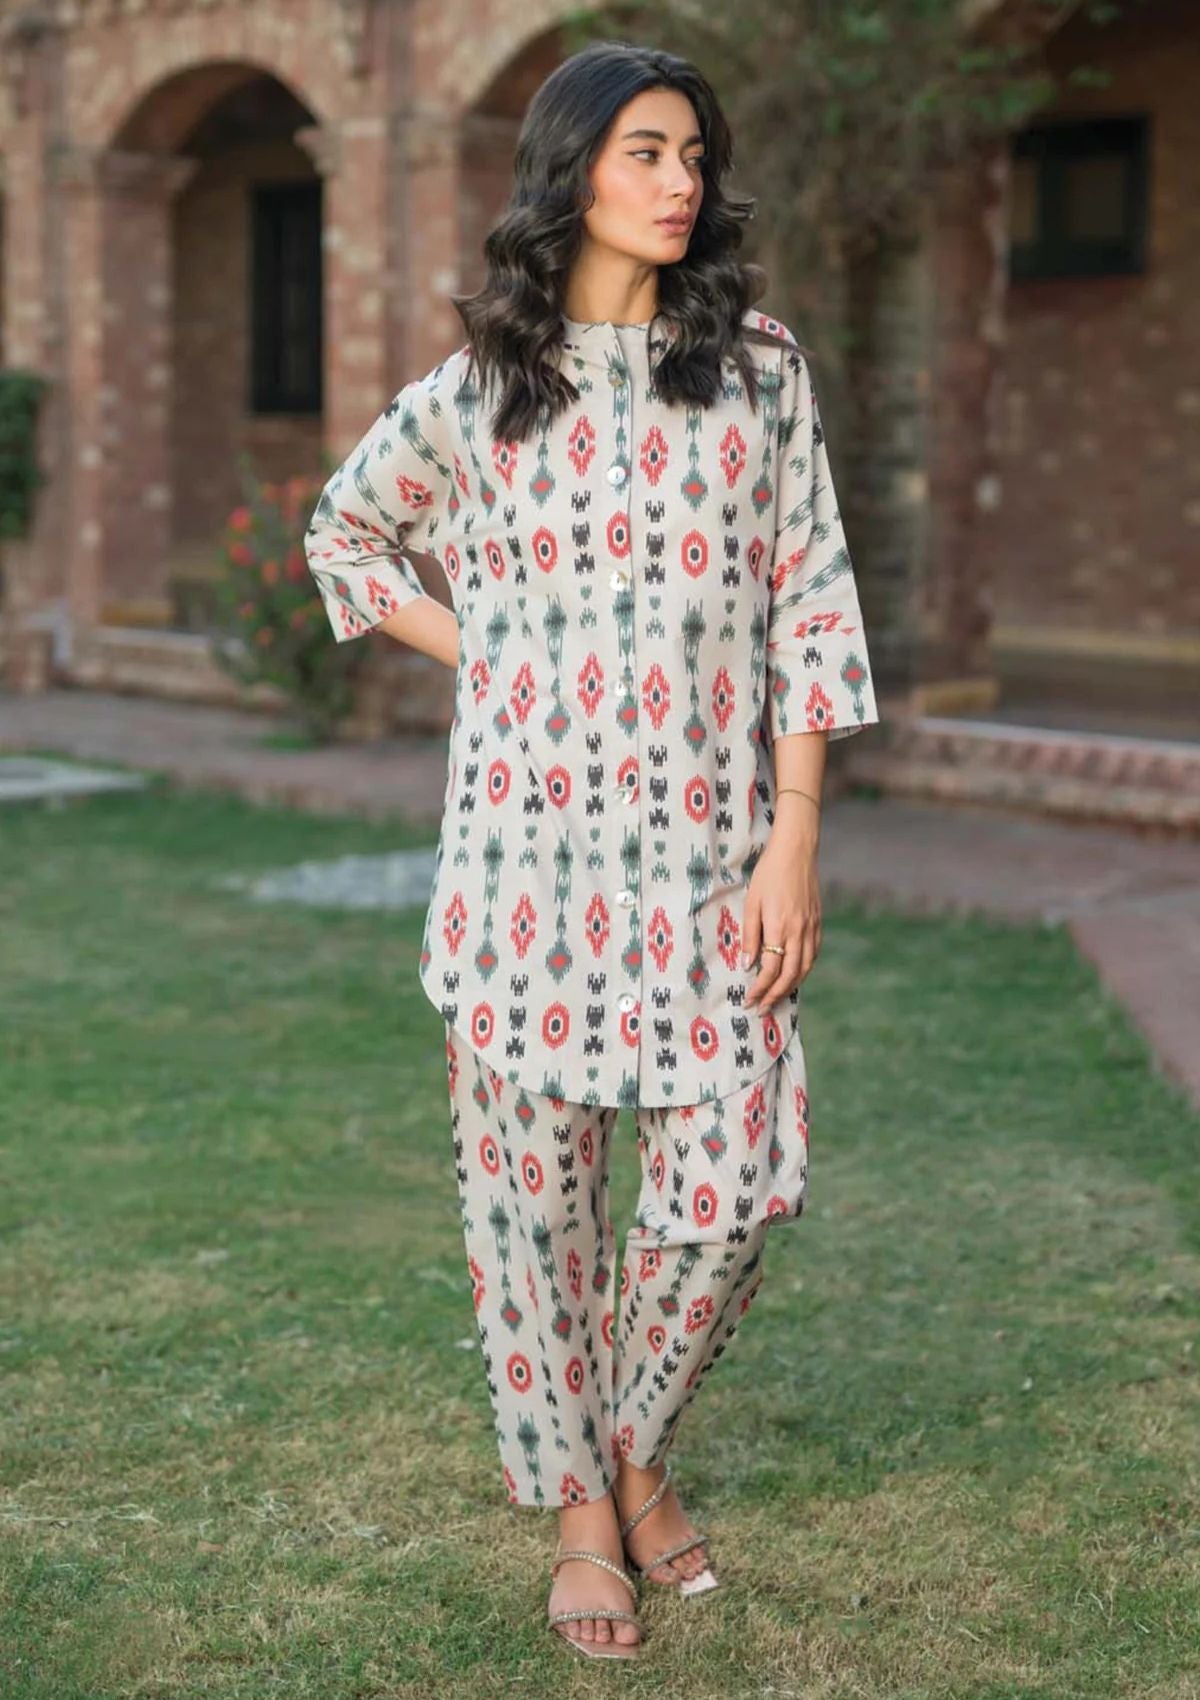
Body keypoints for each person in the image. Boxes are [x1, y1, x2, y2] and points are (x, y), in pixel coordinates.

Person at [304, 37, 881, 1662]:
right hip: (522, 882)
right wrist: (488, 645)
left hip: (716, 872)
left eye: (693, 155)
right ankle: (586, 1512)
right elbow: (346, 534)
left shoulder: (758, 374)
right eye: (645, 152)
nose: (680, 182)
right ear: (572, 173)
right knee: (532, 1217)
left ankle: (626, 1452)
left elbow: (810, 604)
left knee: (734, 1186)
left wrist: (795, 837)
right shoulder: (481, 391)